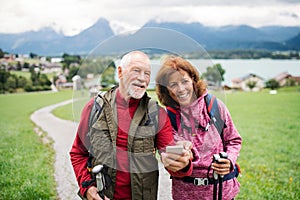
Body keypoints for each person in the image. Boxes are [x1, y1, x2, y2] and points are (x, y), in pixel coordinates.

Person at [70, 51, 191, 200]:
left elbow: (172, 160)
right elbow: (77, 153)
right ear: (120, 72)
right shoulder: (95, 108)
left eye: (147, 73)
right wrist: (87, 187)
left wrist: (182, 162)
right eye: (136, 70)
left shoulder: (157, 114)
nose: (142, 78)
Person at [155, 56, 242, 200]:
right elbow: (169, 156)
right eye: (173, 84)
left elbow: (234, 140)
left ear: (194, 81)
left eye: (185, 81)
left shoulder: (215, 106)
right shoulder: (167, 118)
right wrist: (180, 158)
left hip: (222, 192)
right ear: (167, 90)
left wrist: (230, 161)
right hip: (185, 194)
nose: (181, 88)